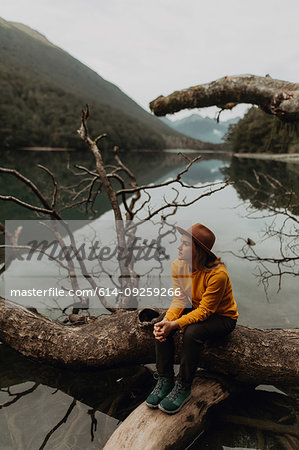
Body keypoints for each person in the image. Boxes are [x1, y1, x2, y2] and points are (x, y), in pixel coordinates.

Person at [145, 222, 238, 414]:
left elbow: (205, 311)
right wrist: (167, 322)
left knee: (191, 332)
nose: (179, 247)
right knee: (160, 323)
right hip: (196, 307)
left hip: (222, 317)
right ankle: (165, 379)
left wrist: (176, 325)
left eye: (185, 244)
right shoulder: (178, 266)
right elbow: (180, 299)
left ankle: (184, 386)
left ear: (198, 251)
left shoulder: (217, 275)